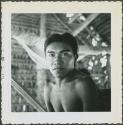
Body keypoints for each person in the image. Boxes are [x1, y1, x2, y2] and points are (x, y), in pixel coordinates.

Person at [43, 33, 99, 112]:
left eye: (65, 54)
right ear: (45, 58)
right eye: (52, 55)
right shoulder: (49, 88)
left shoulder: (82, 84)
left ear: (75, 58)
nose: (57, 61)